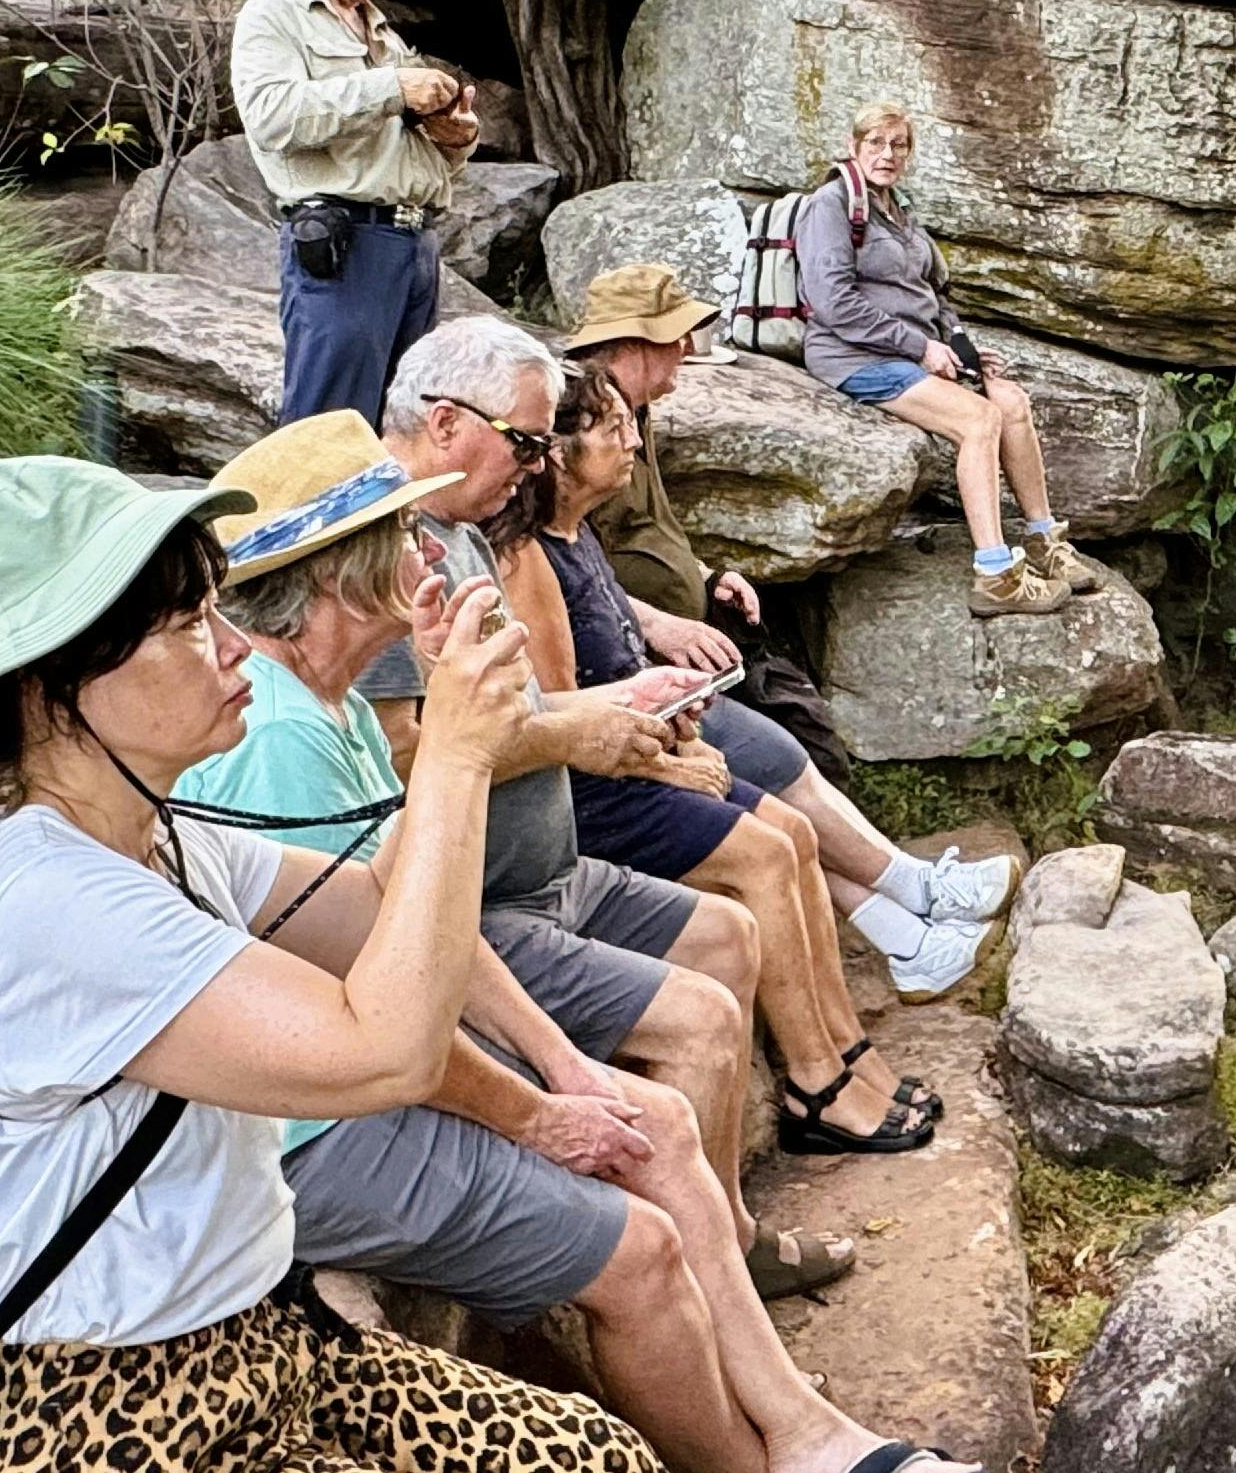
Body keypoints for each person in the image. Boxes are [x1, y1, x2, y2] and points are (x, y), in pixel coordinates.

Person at [0, 454, 912, 1473]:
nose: (233, 644)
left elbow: (378, 913)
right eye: (182, 627)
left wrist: (469, 741)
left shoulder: (153, 839)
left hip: (241, 1380)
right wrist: (463, 760)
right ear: (53, 689)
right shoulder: (57, 904)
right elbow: (383, 1041)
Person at [171, 412, 986, 1473]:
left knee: (648, 1114)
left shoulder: (337, 707)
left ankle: (801, 1429)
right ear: (335, 582)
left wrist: (561, 1064)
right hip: (310, 1127)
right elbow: (374, 1009)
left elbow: (419, 927)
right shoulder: (278, 743)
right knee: (638, 1239)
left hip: (376, 1068)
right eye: (398, 538)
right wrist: (540, 1110)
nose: (424, 557)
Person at [373, 317, 942, 1156]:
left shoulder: (458, 532)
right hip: (493, 898)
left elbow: (518, 707)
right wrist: (584, 735)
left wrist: (628, 702)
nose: (536, 467)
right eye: (525, 444)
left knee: (753, 890)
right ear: (447, 420)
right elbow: (410, 752)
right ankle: (815, 1091)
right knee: (755, 872)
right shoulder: (390, 549)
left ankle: (835, 1073)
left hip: (557, 861)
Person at [564, 263, 1014, 1000]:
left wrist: (707, 578)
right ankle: (920, 900)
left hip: (681, 647)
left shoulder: (631, 418)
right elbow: (579, 564)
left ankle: (915, 928)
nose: (687, 351)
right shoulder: (588, 434)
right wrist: (658, 622)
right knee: (774, 765)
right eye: (675, 337)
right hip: (639, 671)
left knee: (787, 765)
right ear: (634, 345)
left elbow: (650, 537)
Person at [793, 104, 1099, 618]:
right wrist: (919, 348)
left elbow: (933, 294)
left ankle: (1045, 541)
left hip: (914, 353)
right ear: (854, 146)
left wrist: (961, 348)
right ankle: (997, 575)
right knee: (979, 419)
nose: (886, 154)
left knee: (1011, 401)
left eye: (898, 145)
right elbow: (832, 302)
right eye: (876, 142)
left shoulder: (899, 210)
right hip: (854, 356)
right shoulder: (831, 205)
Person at [234, 0, 483, 426]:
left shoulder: (383, 33)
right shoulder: (272, 16)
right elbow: (272, 117)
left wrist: (455, 137)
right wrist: (392, 86)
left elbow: (405, 148)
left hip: (414, 247)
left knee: (401, 431)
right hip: (344, 248)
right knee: (330, 434)